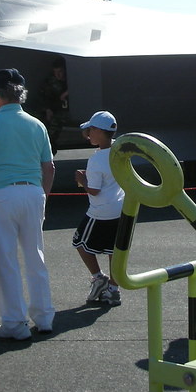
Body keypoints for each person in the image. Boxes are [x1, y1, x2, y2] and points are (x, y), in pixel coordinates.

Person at [0, 68, 56, 341]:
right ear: (22, 94)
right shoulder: (37, 124)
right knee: (35, 256)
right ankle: (44, 317)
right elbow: (49, 167)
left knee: (6, 259)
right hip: (32, 193)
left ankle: (14, 323)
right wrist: (42, 195)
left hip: (2, 195)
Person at [72, 110, 123, 307]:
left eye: (91, 129)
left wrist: (82, 179)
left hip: (100, 211)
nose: (88, 133)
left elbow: (93, 190)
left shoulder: (96, 159)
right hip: (119, 209)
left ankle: (98, 277)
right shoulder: (119, 149)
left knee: (79, 243)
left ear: (99, 132)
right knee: (113, 250)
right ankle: (113, 289)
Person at [39, 56, 69, 154]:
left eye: (60, 71)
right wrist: (48, 109)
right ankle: (50, 146)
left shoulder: (71, 79)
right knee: (52, 124)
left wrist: (68, 92)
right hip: (57, 109)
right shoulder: (51, 82)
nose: (58, 75)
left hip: (69, 109)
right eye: (56, 72)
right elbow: (45, 97)